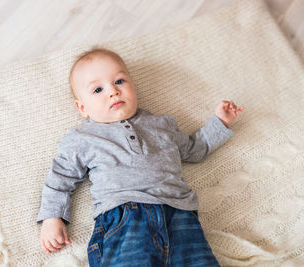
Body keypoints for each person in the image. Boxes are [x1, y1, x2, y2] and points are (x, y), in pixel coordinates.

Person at [37, 47, 244, 266]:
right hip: (125, 219)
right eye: (98, 90)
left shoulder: (162, 125)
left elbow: (196, 148)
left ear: (133, 86)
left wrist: (219, 122)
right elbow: (59, 179)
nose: (113, 91)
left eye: (119, 81)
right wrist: (53, 218)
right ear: (83, 108)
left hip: (180, 216)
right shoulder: (83, 138)